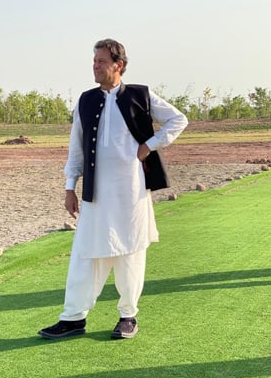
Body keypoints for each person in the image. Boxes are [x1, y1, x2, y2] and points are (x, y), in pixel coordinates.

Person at [38, 38, 188, 340]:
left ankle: (127, 316)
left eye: (101, 62)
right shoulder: (85, 100)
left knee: (129, 252)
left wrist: (150, 145)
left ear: (118, 65)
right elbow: (76, 149)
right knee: (85, 253)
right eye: (94, 61)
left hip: (130, 192)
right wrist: (70, 186)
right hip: (96, 193)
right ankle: (73, 318)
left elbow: (178, 119)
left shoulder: (139, 95)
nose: (95, 66)